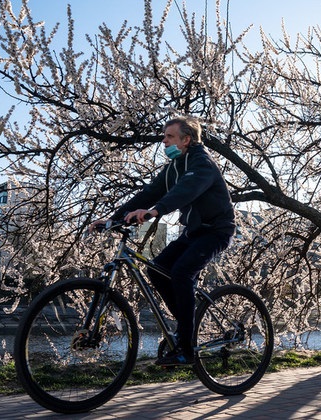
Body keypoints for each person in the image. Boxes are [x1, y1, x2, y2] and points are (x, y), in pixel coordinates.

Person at [90, 117, 235, 366]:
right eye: (164, 136)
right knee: (157, 271)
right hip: (193, 232)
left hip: (217, 232)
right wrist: (113, 219)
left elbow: (186, 190)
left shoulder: (202, 163)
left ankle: (186, 349)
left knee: (181, 272)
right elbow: (149, 193)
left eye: (169, 137)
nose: (163, 140)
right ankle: (185, 327)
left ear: (186, 140)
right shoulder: (173, 167)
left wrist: (156, 211)